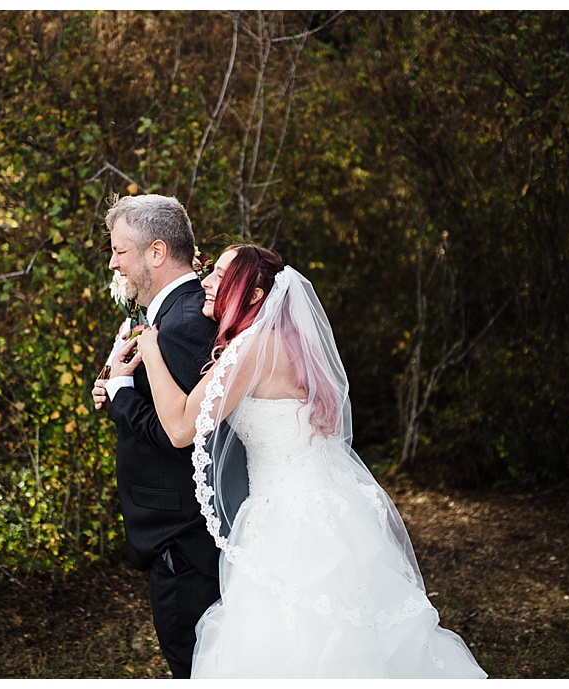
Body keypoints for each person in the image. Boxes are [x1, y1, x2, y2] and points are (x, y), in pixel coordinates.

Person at [113, 244, 488, 678]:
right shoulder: (289, 343)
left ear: (253, 297)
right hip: (331, 511)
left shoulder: (251, 348)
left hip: (287, 527)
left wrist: (152, 349)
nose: (205, 283)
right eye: (209, 271)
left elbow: (180, 427)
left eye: (220, 276)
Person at [89, 194, 221, 679]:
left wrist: (123, 393)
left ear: (157, 252)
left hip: (184, 545)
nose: (113, 261)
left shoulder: (183, 324)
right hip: (177, 541)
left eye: (120, 250)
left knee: (193, 667)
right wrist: (119, 391)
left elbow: (178, 433)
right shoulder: (167, 317)